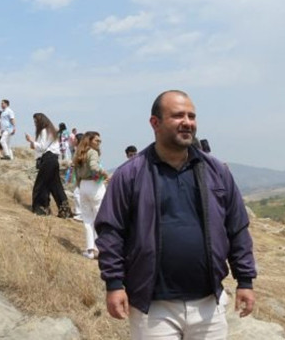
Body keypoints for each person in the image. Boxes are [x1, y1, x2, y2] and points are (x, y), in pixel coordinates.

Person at [95, 90, 256, 339]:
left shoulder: (216, 171)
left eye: (191, 116)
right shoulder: (130, 174)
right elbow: (111, 231)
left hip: (208, 304)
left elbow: (237, 228)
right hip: (153, 307)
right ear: (155, 123)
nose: (187, 122)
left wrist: (245, 280)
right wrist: (114, 284)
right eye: (178, 115)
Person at [26, 113, 72, 217]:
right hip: (54, 160)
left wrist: (31, 140)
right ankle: (65, 211)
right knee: (56, 186)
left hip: (48, 160)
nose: (35, 124)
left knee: (41, 185)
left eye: (36, 121)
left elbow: (42, 147)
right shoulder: (52, 131)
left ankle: (41, 208)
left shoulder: (44, 131)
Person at [73, 131, 108, 259]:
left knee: (87, 220)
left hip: (83, 186)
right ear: (90, 140)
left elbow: (76, 171)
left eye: (100, 141)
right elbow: (94, 167)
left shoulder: (79, 152)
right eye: (96, 140)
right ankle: (101, 249)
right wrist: (104, 173)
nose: (99, 142)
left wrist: (79, 185)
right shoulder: (92, 152)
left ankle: (90, 251)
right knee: (100, 218)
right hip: (95, 186)